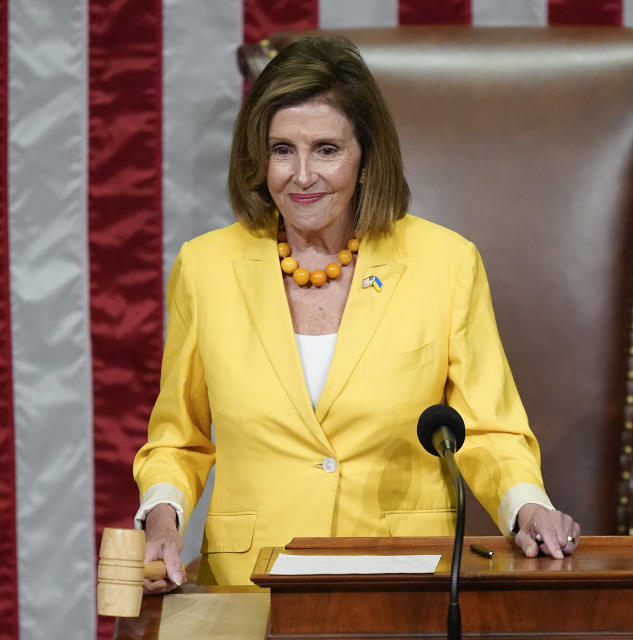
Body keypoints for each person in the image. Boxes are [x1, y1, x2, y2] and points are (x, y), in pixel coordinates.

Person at [134, 35, 580, 594]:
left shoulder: (445, 264)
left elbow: (490, 431)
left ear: (366, 154)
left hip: (404, 582)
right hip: (252, 587)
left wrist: (528, 507)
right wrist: (161, 520)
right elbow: (179, 439)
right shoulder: (205, 267)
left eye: (326, 149)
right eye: (281, 150)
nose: (301, 175)